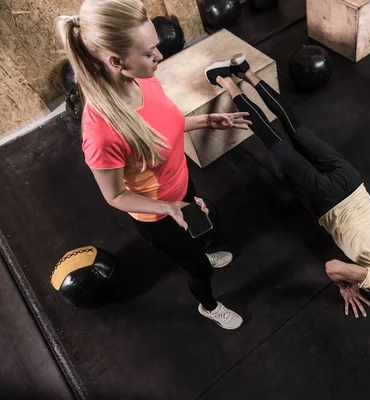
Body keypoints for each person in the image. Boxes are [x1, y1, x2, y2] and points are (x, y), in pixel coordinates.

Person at [204, 54, 370, 318]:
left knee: (294, 127)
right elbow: (333, 266)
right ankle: (224, 79)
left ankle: (245, 71)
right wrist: (346, 286)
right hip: (326, 201)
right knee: (270, 136)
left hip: (353, 182)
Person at [55, 0, 252, 330]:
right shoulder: (102, 133)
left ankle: (201, 253)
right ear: (117, 61)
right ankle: (208, 304)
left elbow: (163, 128)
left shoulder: (143, 79)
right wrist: (169, 206)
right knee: (198, 271)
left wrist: (205, 120)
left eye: (155, 47)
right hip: (157, 215)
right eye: (148, 53)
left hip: (181, 186)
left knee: (199, 234)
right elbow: (115, 196)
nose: (159, 56)